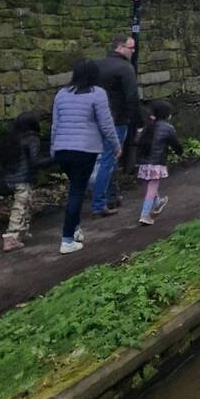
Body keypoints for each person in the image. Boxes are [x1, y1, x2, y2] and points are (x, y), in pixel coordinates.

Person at [51, 59, 120, 254]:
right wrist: (116, 145)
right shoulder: (97, 94)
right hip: (84, 150)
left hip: (62, 150)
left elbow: (55, 124)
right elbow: (106, 124)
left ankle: (74, 229)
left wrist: (53, 149)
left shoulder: (61, 94)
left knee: (75, 188)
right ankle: (66, 240)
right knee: (77, 193)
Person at [89, 33, 140, 217]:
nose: (133, 51)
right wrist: (137, 123)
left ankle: (111, 195)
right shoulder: (125, 68)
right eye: (130, 48)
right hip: (117, 120)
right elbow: (132, 97)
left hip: (95, 119)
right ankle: (99, 204)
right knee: (108, 161)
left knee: (99, 159)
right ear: (119, 47)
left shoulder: (97, 66)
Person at [0, 111, 44, 253]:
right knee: (20, 205)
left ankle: (21, 232)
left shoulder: (11, 138)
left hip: (10, 177)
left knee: (26, 202)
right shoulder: (32, 139)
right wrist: (55, 159)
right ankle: (11, 237)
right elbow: (34, 161)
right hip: (22, 178)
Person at [134, 100, 182, 226]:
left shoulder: (148, 125)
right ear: (167, 115)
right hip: (156, 162)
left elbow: (138, 141)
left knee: (147, 184)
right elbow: (175, 143)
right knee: (152, 187)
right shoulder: (167, 128)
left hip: (143, 162)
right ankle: (145, 214)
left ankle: (157, 202)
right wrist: (180, 152)